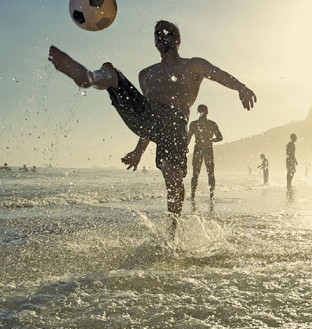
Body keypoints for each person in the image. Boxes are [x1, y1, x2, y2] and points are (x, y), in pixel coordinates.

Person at [48, 21, 256, 229]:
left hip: (175, 123)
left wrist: (241, 88)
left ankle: (172, 232)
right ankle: (89, 77)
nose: (162, 36)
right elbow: (151, 116)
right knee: (112, 72)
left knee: (173, 176)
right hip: (145, 115)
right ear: (154, 42)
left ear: (178, 39)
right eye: (157, 34)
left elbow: (218, 74)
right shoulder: (146, 74)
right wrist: (139, 150)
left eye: (168, 32)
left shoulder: (193, 65)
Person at [187, 104, 223, 205]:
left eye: (203, 110)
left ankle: (211, 195)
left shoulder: (212, 124)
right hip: (198, 149)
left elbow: (220, 137)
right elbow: (188, 138)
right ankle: (193, 195)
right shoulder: (193, 124)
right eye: (200, 110)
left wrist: (210, 139)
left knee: (210, 173)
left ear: (207, 112)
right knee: (195, 173)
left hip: (207, 149)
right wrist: (184, 147)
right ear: (198, 112)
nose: (201, 112)